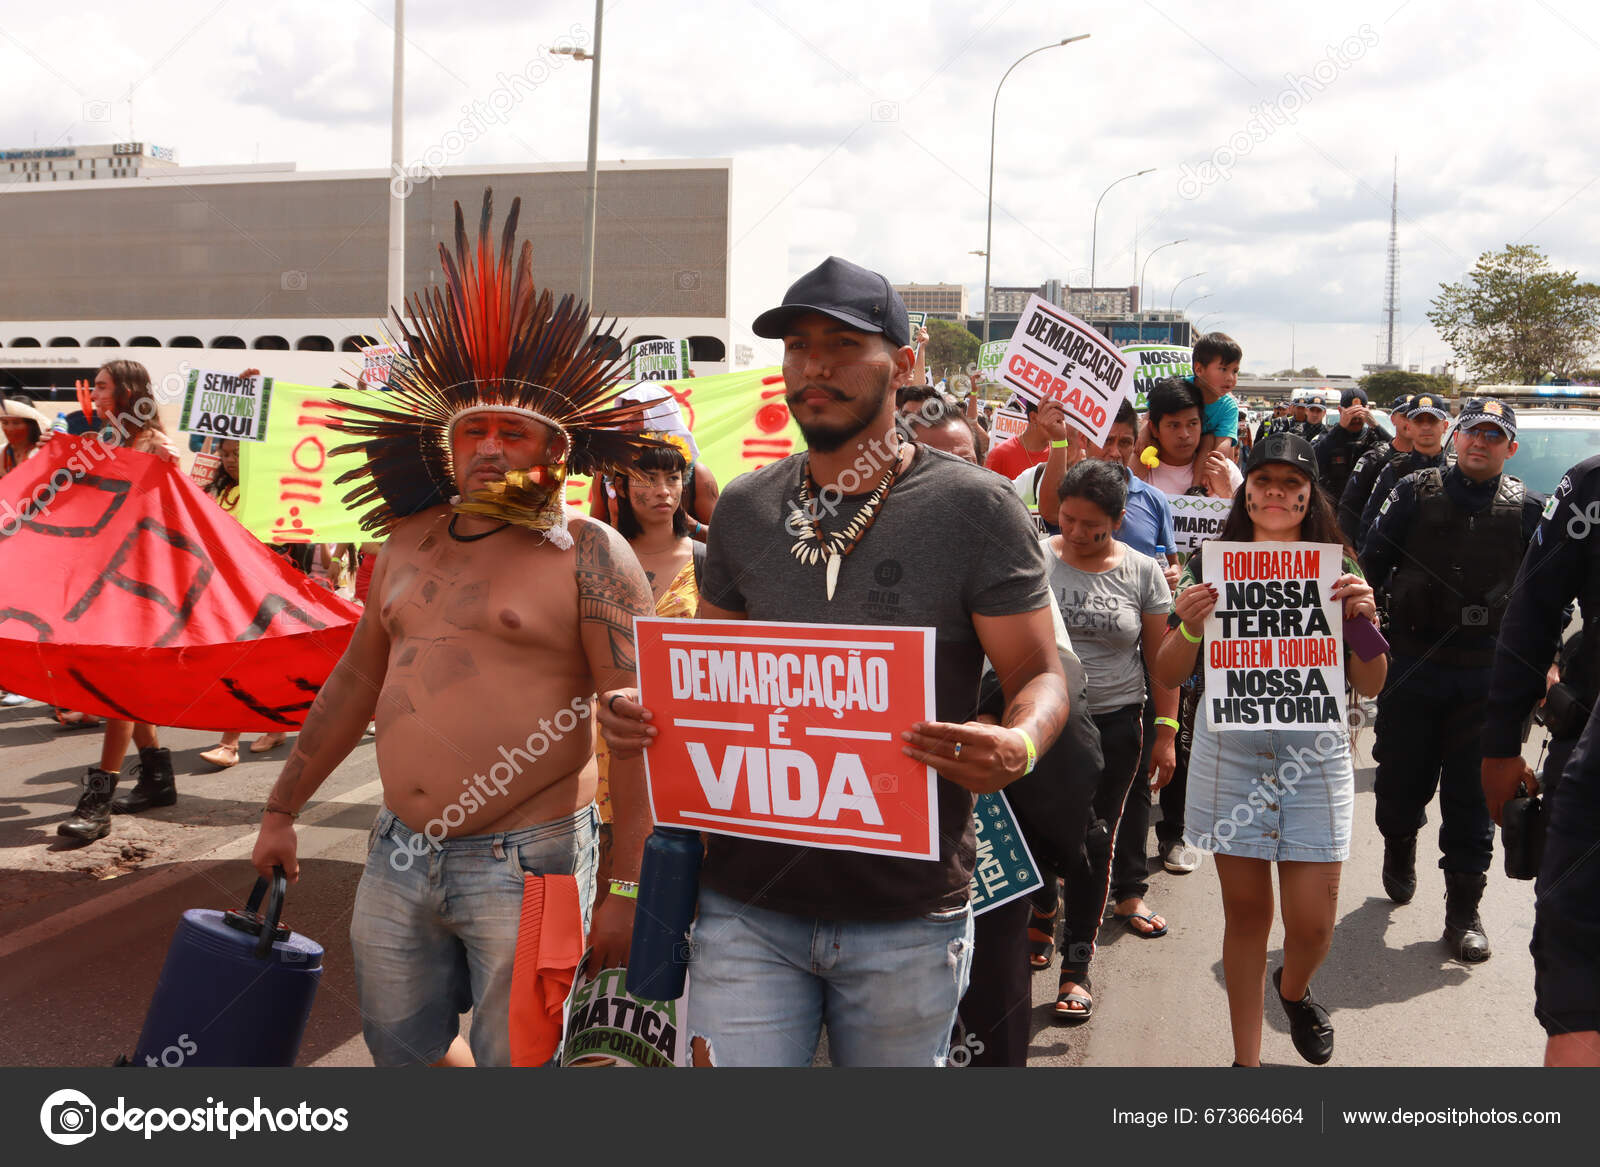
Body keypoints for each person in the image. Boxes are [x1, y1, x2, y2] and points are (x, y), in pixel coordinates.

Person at [597, 255, 1071, 1067]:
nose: (814, 366)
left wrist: (1019, 743)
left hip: (906, 915)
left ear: (904, 364)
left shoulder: (975, 508)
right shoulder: (745, 508)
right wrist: (643, 711)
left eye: (843, 345)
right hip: (743, 906)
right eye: (798, 347)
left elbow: (1040, 675)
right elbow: (708, 680)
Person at [249, 192, 655, 1067]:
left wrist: (625, 888)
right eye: (474, 430)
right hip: (398, 849)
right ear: (448, 442)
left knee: (521, 1062)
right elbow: (355, 682)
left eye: (514, 431)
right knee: (402, 1053)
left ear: (554, 450)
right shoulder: (404, 541)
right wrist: (282, 808)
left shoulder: (593, 554)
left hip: (531, 859)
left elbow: (641, 733)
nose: (490, 447)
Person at [1154, 432, 1386, 1066]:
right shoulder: (1210, 566)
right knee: (1248, 915)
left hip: (1314, 760)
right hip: (1232, 758)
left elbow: (1371, 682)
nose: (1276, 493)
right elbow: (1169, 670)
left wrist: (1364, 622)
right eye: (1264, 482)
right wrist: (1191, 625)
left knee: (1312, 926)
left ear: (1310, 495)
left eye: (1291, 483)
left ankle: (1294, 989)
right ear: (1247, 492)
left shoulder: (1340, 567)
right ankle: (1245, 1063)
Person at [1361, 399, 1542, 962]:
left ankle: (1463, 912)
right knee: (1399, 784)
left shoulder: (1530, 509)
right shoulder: (1413, 492)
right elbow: (1368, 567)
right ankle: (1399, 843)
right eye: (1471, 432)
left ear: (1510, 448)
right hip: (1413, 666)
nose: (1479, 442)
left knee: (1472, 797)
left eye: (1494, 436)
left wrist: (1545, 664)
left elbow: (1547, 596)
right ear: (1455, 438)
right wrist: (1362, 642)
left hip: (1487, 678)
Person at [1039, 460, 1178, 1022]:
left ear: (1118, 521)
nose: (1076, 533)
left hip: (1117, 724)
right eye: (1067, 519)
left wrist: (1166, 733)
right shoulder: (1034, 560)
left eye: (1092, 526)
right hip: (1042, 724)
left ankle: (1076, 967)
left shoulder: (1144, 573)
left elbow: (1163, 663)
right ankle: (1041, 910)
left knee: (1095, 841)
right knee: (1039, 831)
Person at [1480, 452, 1600, 1064]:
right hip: (1587, 746)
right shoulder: (1591, 488)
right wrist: (1502, 744)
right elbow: (1533, 610)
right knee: (1578, 982)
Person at [57, 361, 182, 839]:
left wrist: (172, 470)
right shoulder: (102, 441)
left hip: (139, 581)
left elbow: (175, 513)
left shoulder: (155, 445)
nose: (95, 392)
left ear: (127, 391)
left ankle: (98, 801)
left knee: (119, 685)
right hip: (103, 576)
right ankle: (157, 778)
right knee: (121, 681)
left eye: (103, 385)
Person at [590, 433, 702, 901]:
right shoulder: (595, 559)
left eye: (672, 478)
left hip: (683, 734)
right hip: (603, 733)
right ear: (619, 486)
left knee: (675, 875)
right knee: (603, 874)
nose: (662, 491)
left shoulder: (709, 559)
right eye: (647, 478)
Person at [1356, 392, 1449, 546]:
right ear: (1409, 427)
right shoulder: (1394, 469)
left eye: (1432, 420)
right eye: (1419, 421)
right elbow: (1369, 523)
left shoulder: (1455, 470)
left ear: (1445, 426)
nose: (1426, 426)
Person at [1135, 377, 1242, 500]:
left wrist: (1227, 493)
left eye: (1192, 424)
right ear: (1154, 429)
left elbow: (1245, 512)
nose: (1184, 434)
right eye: (1174, 425)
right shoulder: (1136, 473)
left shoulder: (1224, 472)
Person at [1336, 395, 1414, 543]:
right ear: (1393, 419)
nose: (1411, 422)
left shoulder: (1433, 461)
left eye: (1415, 417)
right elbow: (1349, 507)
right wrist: (1349, 546)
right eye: (1405, 416)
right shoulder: (1375, 458)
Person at [1313, 388, 1383, 499]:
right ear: (1340, 410)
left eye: (1360, 414)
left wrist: (1376, 426)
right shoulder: (1329, 435)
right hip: (1332, 501)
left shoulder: (1373, 438)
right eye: (1351, 414)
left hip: (1363, 502)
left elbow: (1398, 455)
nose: (1356, 420)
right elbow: (1313, 460)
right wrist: (1339, 428)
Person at [984, 397, 1051, 480]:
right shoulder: (1000, 454)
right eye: (1053, 417)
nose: (1061, 424)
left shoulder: (1061, 455)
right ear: (1033, 417)